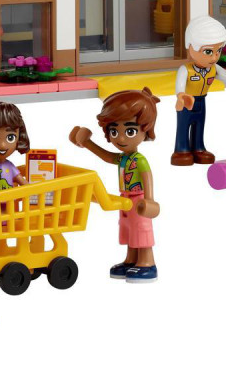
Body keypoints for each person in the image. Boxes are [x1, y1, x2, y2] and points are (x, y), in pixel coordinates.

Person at [69, 88, 161, 283]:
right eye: (114, 131)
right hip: (125, 199)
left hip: (139, 200)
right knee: (129, 230)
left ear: (146, 129)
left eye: (130, 131)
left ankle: (147, 263)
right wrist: (87, 143)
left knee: (141, 230)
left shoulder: (139, 160)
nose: (120, 138)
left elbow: (148, 177)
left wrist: (150, 200)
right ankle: (131, 260)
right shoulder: (123, 158)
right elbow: (107, 156)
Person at [172, 15, 226, 166]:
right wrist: (181, 96)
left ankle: (198, 148)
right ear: (191, 47)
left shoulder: (214, 68)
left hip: (201, 101)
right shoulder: (185, 70)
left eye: (218, 51)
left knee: (199, 125)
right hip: (187, 102)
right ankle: (181, 150)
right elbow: (179, 87)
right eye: (208, 52)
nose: (214, 57)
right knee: (183, 126)